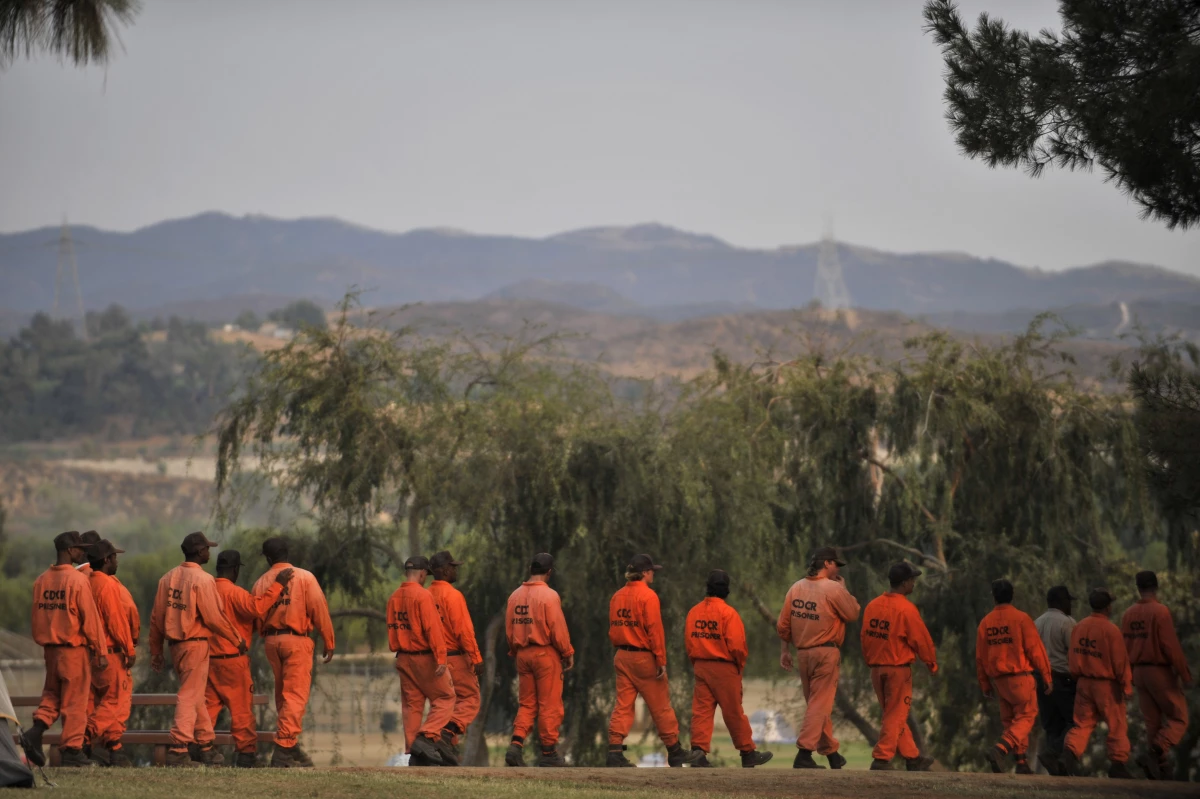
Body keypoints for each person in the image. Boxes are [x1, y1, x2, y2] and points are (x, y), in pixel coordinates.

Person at [150, 532, 246, 767]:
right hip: (195, 645)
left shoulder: (167, 578)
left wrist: (156, 652)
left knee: (196, 696)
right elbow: (214, 618)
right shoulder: (203, 580)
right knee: (189, 695)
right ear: (200, 552)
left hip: (176, 646)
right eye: (207, 549)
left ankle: (205, 746)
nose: (209, 552)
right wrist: (236, 638)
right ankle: (178, 748)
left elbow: (156, 619)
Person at [605, 554, 703, 768]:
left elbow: (613, 629)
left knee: (623, 705)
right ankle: (675, 751)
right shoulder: (648, 596)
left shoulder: (617, 596)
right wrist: (661, 659)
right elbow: (655, 631)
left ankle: (614, 750)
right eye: (651, 571)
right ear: (645, 573)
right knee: (660, 706)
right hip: (644, 658)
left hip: (622, 656)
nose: (653, 574)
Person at [251, 537, 336, 768]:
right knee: (295, 697)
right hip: (297, 641)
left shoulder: (260, 582)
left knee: (283, 697)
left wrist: (266, 633)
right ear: (287, 554)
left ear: (268, 558)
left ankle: (291, 746)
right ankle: (283, 750)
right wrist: (328, 640)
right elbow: (319, 608)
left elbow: (257, 614)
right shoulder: (305, 577)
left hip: (271, 642)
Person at [25, 531, 107, 768]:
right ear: (70, 551)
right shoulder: (78, 580)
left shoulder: (41, 580)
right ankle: (72, 749)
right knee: (75, 701)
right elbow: (89, 619)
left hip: (50, 650)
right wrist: (100, 650)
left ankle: (35, 731)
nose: (83, 552)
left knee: (52, 694)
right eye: (80, 548)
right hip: (73, 650)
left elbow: (36, 617)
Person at [206, 550, 293, 768]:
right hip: (233, 661)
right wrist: (278, 585)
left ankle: (201, 747)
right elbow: (256, 608)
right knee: (241, 708)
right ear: (235, 570)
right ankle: (245, 754)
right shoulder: (235, 593)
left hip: (208, 661)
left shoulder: (205, 591)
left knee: (208, 707)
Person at [776, 546, 860, 769]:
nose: (837, 570)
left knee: (817, 705)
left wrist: (785, 650)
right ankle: (804, 753)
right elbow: (852, 613)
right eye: (836, 565)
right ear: (827, 564)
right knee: (819, 705)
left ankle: (832, 754)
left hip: (803, 654)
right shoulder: (833, 589)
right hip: (825, 653)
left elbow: (784, 624)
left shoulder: (796, 588)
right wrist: (844, 589)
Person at [687, 570, 772, 768]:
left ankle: (698, 753)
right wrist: (738, 666)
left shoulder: (694, 612)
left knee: (701, 711)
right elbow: (737, 646)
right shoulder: (728, 613)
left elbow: (689, 642)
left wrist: (698, 663)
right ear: (726, 591)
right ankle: (747, 752)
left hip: (701, 666)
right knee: (733, 712)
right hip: (724, 668)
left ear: (707, 588)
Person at [859, 561, 937, 772]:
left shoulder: (873, 605)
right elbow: (921, 640)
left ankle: (912, 758)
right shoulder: (906, 609)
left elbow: (865, 637)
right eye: (912, 580)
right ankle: (882, 758)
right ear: (904, 583)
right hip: (897, 670)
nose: (914, 583)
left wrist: (870, 660)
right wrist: (931, 663)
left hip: (876, 669)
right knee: (896, 714)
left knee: (894, 714)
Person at [503, 553, 575, 768]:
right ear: (549, 572)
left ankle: (516, 745)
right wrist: (567, 652)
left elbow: (509, 630)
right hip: (545, 654)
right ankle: (549, 752)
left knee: (527, 703)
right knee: (549, 704)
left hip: (522, 655)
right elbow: (558, 629)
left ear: (530, 569)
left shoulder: (514, 596)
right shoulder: (549, 596)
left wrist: (516, 649)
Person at [1121, 571, 1192, 780]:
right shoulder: (1160, 612)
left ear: (1138, 588)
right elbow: (1171, 646)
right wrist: (1184, 674)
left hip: (1138, 673)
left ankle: (1160, 767)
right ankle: (1156, 751)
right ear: (1156, 586)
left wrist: (1127, 677)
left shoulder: (1128, 614)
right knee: (1179, 718)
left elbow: (1124, 647)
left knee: (1152, 722)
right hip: (1158, 671)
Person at [975, 579, 1052, 774]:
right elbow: (1036, 651)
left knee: (1012, 721)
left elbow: (980, 657)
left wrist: (985, 685)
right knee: (1026, 715)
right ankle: (1001, 749)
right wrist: (1047, 676)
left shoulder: (986, 622)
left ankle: (1021, 762)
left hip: (1000, 682)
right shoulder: (1021, 618)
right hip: (1020, 678)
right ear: (1012, 595)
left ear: (994, 597)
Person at [386, 555, 455, 766]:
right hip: (424, 657)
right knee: (446, 698)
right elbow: (433, 629)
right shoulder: (423, 596)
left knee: (412, 707)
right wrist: (441, 657)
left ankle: (412, 755)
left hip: (403, 658)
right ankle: (426, 737)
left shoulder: (394, 597)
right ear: (423, 573)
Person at [1060, 588, 1133, 779]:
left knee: (1082, 724)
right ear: (1108, 607)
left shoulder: (1080, 627)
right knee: (1116, 724)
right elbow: (1120, 662)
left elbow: (1072, 656)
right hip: (1106, 685)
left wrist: (1078, 677)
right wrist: (1126, 685)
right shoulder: (1111, 630)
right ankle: (1118, 764)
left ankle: (1068, 755)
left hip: (1083, 682)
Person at [85, 540, 138, 768]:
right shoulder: (107, 585)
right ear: (106, 560)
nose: (117, 561)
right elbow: (116, 621)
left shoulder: (87, 582)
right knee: (114, 702)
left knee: (103, 701)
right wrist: (129, 648)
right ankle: (82, 739)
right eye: (114, 557)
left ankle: (114, 749)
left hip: (93, 654)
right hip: (111, 653)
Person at [428, 551, 483, 758]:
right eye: (452, 566)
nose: (455, 569)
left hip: (432, 661)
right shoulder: (453, 595)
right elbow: (464, 631)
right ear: (443, 570)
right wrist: (476, 657)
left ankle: (446, 750)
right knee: (469, 699)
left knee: (445, 704)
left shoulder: (425, 594)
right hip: (455, 658)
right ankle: (447, 734)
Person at [1033, 585, 1077, 775]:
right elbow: (1074, 653)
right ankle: (1053, 754)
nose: (1070, 605)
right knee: (1075, 722)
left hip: (1040, 678)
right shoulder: (1067, 623)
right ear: (1061, 602)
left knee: (1051, 725)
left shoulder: (1037, 622)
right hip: (1062, 679)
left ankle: (1057, 771)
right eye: (1068, 601)